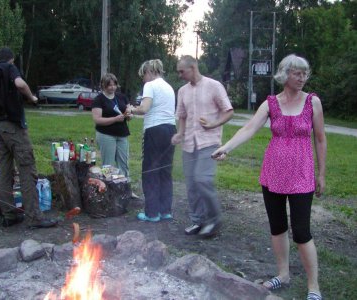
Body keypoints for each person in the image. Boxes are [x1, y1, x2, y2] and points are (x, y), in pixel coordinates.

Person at [212, 54, 326, 300]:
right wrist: (226, 148)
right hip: (273, 173)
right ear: (285, 75)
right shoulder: (271, 103)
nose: (302, 78)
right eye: (297, 73)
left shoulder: (312, 103)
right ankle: (283, 274)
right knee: (277, 228)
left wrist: (321, 174)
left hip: (301, 175)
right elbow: (249, 128)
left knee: (302, 231)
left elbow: (320, 138)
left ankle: (314, 287)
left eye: (304, 74)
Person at [0, 47, 57, 228]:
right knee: (27, 169)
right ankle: (34, 217)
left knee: (5, 171)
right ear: (11, 59)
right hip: (13, 126)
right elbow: (20, 84)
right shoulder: (9, 67)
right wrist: (32, 97)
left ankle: (8, 215)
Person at [171, 55, 234, 237]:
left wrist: (214, 124)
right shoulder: (182, 91)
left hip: (210, 142)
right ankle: (197, 221)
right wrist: (180, 133)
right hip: (189, 143)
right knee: (191, 184)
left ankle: (214, 220)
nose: (180, 75)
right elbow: (182, 115)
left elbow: (228, 112)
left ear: (193, 67)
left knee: (202, 179)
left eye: (182, 71)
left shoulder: (214, 86)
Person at [129, 59, 176, 222]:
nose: (143, 79)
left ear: (149, 72)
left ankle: (151, 213)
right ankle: (165, 211)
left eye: (143, 75)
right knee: (165, 171)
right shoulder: (169, 87)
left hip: (155, 130)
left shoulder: (150, 85)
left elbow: (144, 108)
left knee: (150, 170)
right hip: (170, 130)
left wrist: (131, 110)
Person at [92, 73, 131, 177]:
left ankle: (125, 186)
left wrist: (129, 115)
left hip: (122, 134)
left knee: (124, 163)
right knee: (108, 165)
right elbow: (97, 120)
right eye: (109, 85)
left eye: (114, 84)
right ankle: (108, 186)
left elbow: (129, 112)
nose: (112, 87)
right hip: (106, 135)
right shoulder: (98, 100)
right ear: (103, 85)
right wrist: (115, 119)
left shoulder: (122, 97)